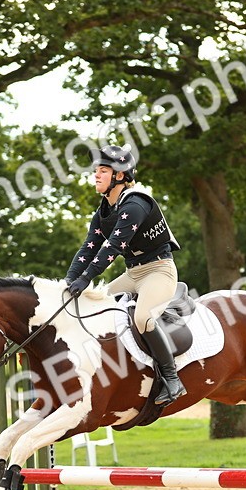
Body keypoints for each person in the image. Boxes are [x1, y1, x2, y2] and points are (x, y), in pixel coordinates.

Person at [64, 145, 186, 406]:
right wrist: (69, 281)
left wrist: (86, 279)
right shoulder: (103, 212)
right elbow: (88, 248)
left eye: (103, 170)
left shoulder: (136, 203)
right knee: (93, 306)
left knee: (142, 318)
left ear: (120, 175)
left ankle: (172, 378)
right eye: (96, 170)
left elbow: (113, 246)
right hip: (133, 273)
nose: (96, 175)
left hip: (159, 270)